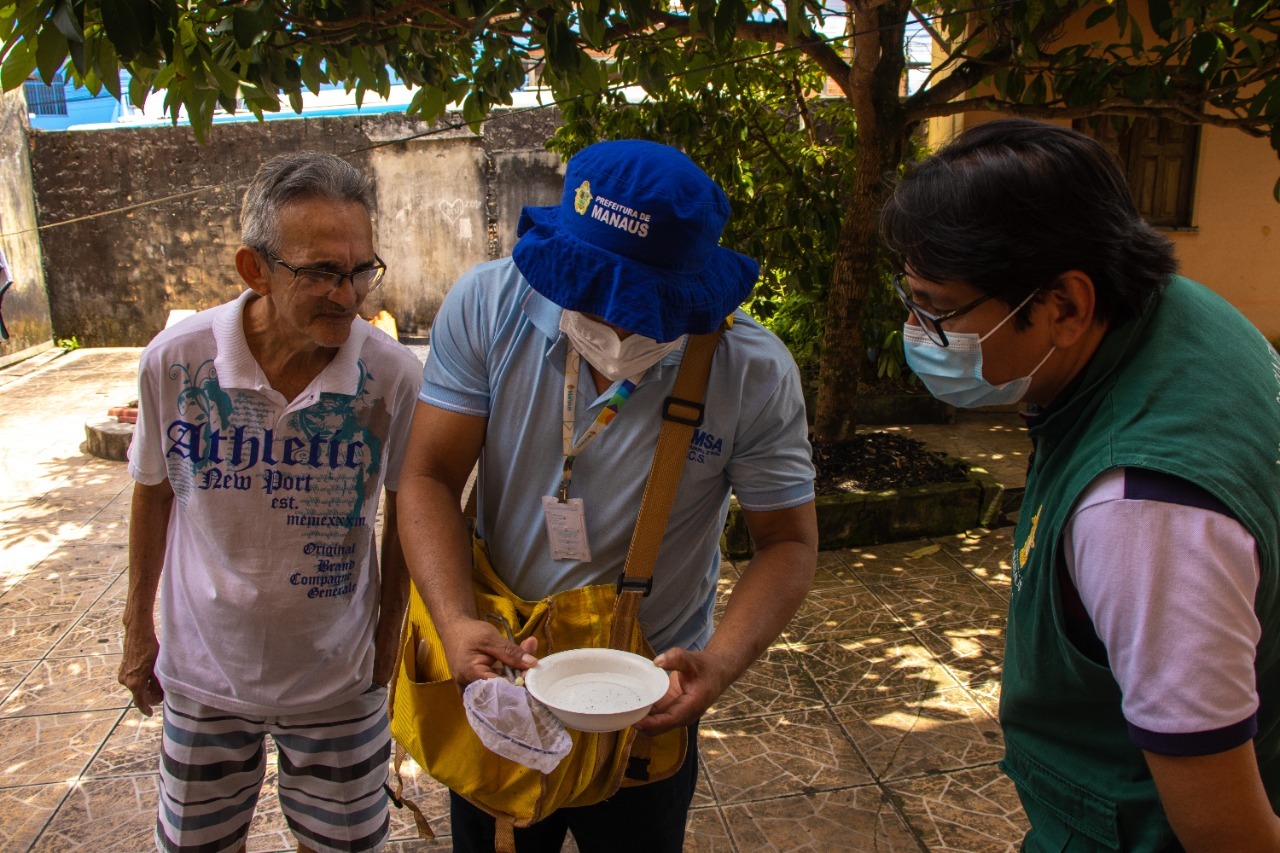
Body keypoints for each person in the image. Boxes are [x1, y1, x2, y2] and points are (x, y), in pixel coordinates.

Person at [397, 139, 818, 851]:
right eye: (596, 295)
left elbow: (789, 542)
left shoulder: (751, 371)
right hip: (507, 672)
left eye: (643, 306)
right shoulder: (489, 306)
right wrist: (455, 619)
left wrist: (717, 665)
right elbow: (429, 474)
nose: (617, 329)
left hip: (646, 698)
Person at [880, 118, 1280, 851]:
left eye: (937, 308)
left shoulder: (1142, 516)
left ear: (1065, 306)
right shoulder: (1179, 313)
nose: (915, 329)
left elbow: (1227, 833)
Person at [120, 151, 422, 853]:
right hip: (204, 671)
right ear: (253, 269)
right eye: (321, 271)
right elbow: (153, 491)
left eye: (361, 270)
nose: (347, 295)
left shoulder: (389, 376)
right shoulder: (176, 361)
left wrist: (386, 644)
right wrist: (137, 627)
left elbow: (408, 510)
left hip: (338, 676)